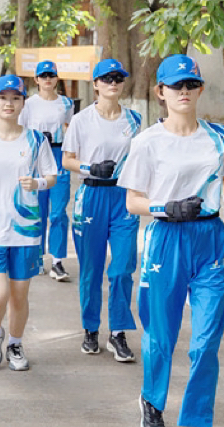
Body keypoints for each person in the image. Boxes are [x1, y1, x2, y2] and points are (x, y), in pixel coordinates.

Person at [119, 54, 224, 427]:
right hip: (166, 239)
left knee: (206, 340)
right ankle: (152, 401)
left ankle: (195, 419)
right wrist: (167, 207)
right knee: (160, 334)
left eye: (191, 84)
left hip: (211, 241)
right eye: (176, 86)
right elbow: (132, 201)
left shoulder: (219, 136)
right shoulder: (147, 142)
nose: (184, 92)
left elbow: (223, 184)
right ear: (161, 91)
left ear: (201, 89)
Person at [0, 75, 57, 372]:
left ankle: (15, 342)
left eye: (15, 98)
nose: (9, 103)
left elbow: (51, 176)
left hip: (26, 230)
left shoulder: (35, 140)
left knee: (19, 295)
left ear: (22, 103)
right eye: (3, 98)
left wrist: (37, 183)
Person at [61, 59, 141, 361]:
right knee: (91, 270)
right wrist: (90, 167)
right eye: (106, 78)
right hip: (91, 196)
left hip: (123, 198)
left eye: (118, 78)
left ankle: (118, 332)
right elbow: (68, 159)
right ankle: (90, 329)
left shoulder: (134, 120)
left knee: (122, 268)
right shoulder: (82, 120)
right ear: (95, 84)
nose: (112, 83)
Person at [18, 60, 74, 281]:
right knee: (37, 210)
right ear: (36, 80)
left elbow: (69, 127)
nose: (47, 79)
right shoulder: (29, 104)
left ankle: (58, 261)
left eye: (51, 75)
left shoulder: (67, 104)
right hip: (36, 156)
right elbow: (21, 131)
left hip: (59, 156)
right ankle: (37, 256)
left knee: (58, 211)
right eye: (43, 76)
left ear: (57, 78)